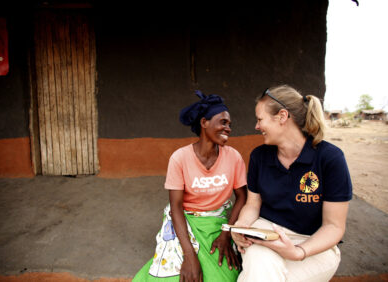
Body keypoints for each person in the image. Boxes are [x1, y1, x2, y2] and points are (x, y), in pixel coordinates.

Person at [231, 85, 352, 282]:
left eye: (260, 119)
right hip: (267, 234)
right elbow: (253, 204)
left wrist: (298, 252)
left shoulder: (329, 158)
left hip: (314, 245)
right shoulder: (259, 157)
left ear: (282, 116)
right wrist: (241, 227)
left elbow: (334, 227)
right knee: (260, 272)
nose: (256, 126)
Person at [133, 90, 247, 282]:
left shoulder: (233, 157)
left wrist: (227, 232)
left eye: (229, 124)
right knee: (174, 277)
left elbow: (242, 197)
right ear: (204, 123)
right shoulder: (180, 158)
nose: (228, 128)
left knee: (223, 276)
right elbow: (176, 207)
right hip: (183, 222)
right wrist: (189, 254)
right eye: (223, 122)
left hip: (216, 223)